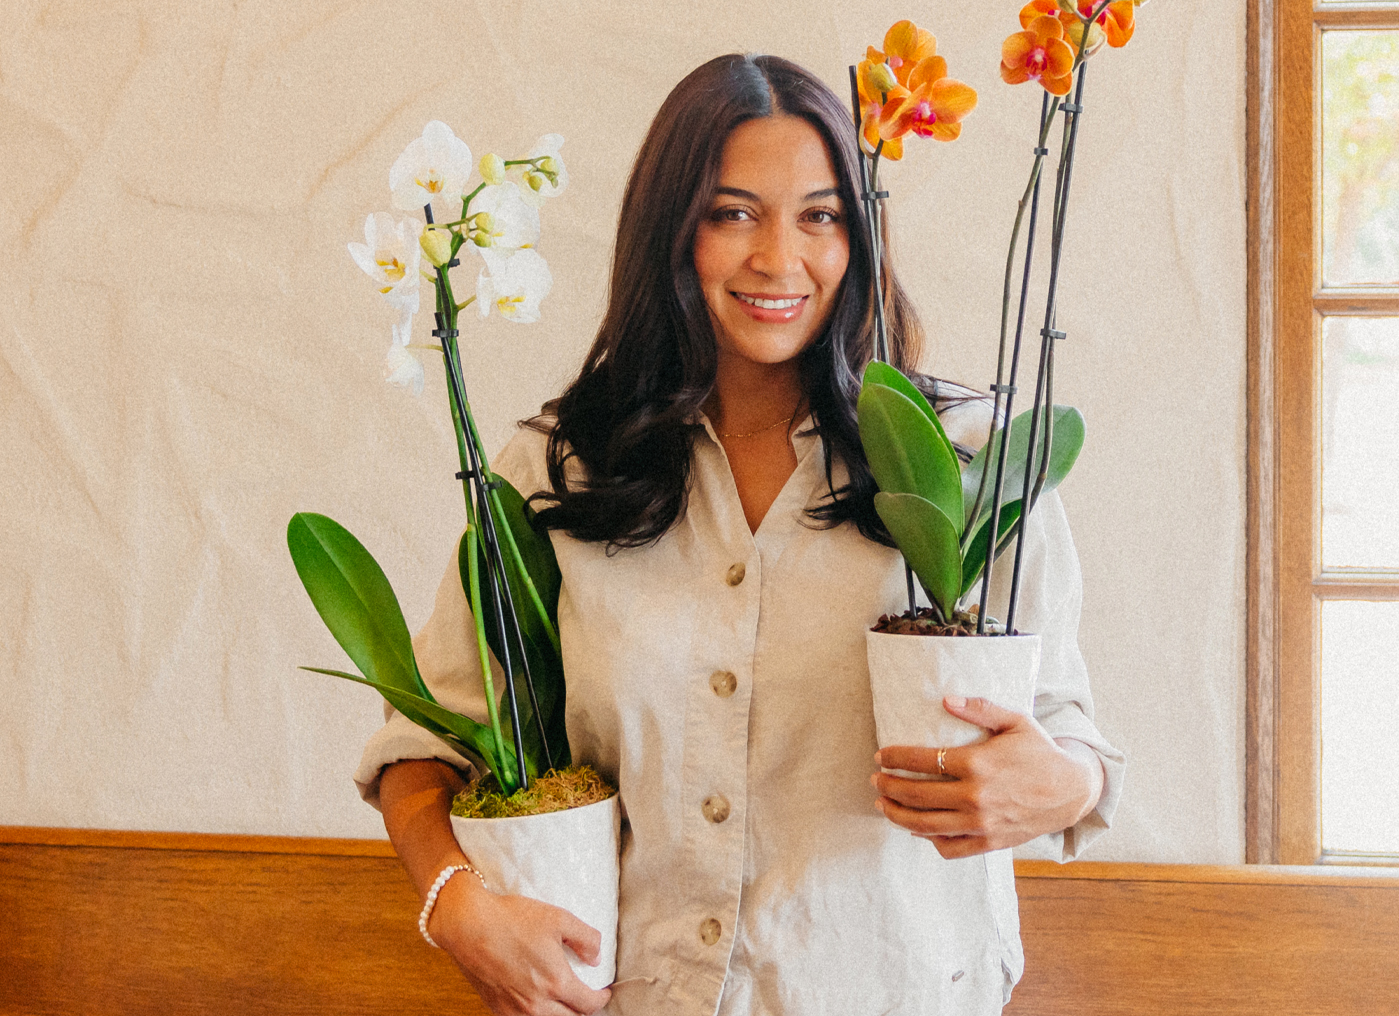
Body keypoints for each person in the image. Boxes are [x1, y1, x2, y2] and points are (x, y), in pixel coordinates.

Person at [355, 52, 1123, 1016]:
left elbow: (1070, 739)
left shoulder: (968, 461)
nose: (777, 257)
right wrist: (458, 909)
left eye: (818, 215)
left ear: (858, 233)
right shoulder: (558, 470)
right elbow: (423, 746)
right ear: (671, 236)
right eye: (731, 213)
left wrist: (1055, 787)